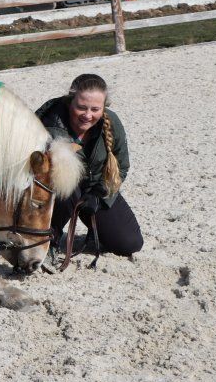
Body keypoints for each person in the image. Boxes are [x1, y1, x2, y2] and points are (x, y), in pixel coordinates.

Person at [36, 73, 143, 258]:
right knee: (66, 181)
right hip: (57, 195)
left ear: (104, 107)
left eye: (95, 109)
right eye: (81, 107)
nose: (87, 115)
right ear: (70, 102)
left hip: (94, 190)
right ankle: (49, 239)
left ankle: (97, 231)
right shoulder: (46, 125)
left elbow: (122, 166)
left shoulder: (112, 122)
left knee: (129, 243)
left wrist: (99, 194)